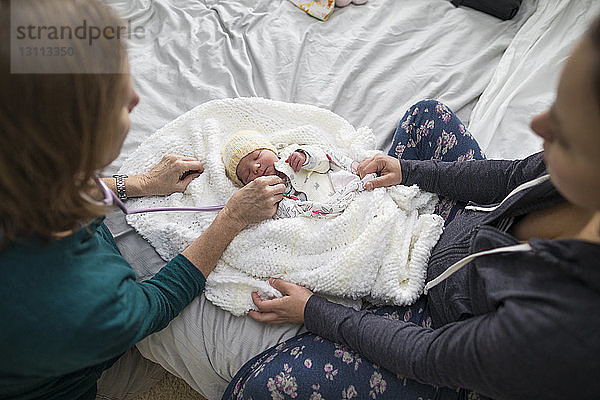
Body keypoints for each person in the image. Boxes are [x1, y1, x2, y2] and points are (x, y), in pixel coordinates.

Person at [222, 16, 600, 400]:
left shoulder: (562, 327)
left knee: (256, 389)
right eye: (556, 104)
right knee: (426, 114)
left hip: (436, 325)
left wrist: (313, 310)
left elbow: (426, 355)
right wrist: (407, 171)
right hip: (450, 224)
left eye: (564, 131)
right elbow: (511, 177)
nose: (537, 125)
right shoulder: (571, 179)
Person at [0, 1, 286, 399]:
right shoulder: (85, 298)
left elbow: (60, 185)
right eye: (117, 98)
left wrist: (137, 183)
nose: (135, 98)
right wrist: (231, 219)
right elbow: (153, 303)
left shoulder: (20, 165)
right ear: (69, 139)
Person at [222, 129, 374, 218]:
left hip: (342, 188)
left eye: (257, 156)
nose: (256, 167)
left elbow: (324, 162)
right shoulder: (269, 196)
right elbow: (285, 217)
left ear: (271, 149)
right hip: (322, 215)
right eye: (248, 173)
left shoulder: (291, 156)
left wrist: (306, 157)